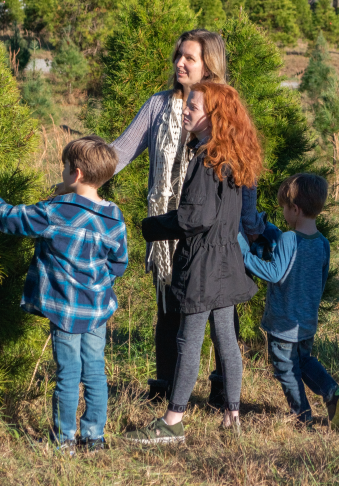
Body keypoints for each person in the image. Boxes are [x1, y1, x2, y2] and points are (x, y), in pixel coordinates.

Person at [108, 29, 265, 405]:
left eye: (189, 58)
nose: (180, 63)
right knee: (170, 310)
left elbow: (245, 171)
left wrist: (247, 225)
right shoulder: (158, 106)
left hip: (215, 232)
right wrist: (82, 173)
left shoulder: (223, 107)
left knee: (221, 318)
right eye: (178, 55)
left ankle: (222, 391)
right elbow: (119, 152)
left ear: (208, 64)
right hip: (170, 226)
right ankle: (167, 389)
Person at [0, 136, 128, 454]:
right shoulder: (113, 216)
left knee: (68, 372)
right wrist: (95, 284)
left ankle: (64, 440)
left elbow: (13, 220)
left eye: (66, 167)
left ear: (76, 173)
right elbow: (119, 264)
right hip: (97, 307)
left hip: (65, 308)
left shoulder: (55, 211)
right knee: (94, 368)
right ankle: (94, 437)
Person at [238, 173, 339, 429]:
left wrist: (244, 253)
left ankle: (302, 416)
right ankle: (334, 393)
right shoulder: (322, 243)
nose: (284, 213)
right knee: (304, 362)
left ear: (295, 209)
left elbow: (274, 273)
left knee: (286, 369)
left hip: (283, 322)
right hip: (306, 322)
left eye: (285, 208)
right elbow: (320, 283)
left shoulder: (289, 240)